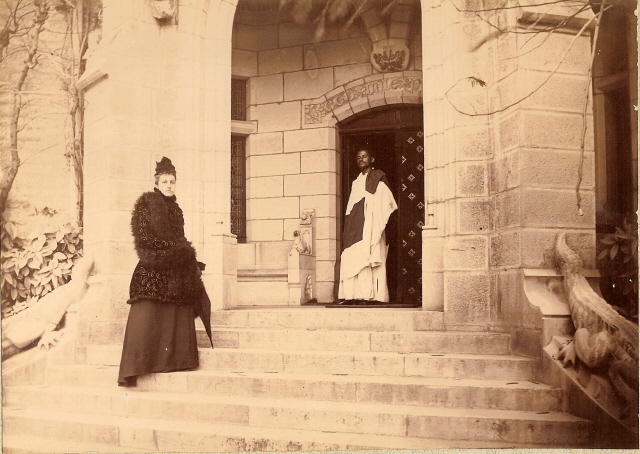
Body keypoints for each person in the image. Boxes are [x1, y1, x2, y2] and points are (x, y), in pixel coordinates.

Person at [118, 157, 211, 387]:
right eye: (165, 181)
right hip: (153, 266)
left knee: (176, 311)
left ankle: (172, 361)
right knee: (148, 314)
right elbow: (145, 239)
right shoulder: (146, 204)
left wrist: (186, 257)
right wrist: (180, 251)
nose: (169, 185)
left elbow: (179, 239)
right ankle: (137, 366)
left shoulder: (176, 210)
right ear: (157, 183)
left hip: (175, 267)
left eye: (172, 181)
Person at [338, 148, 398, 303]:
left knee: (370, 259)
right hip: (355, 227)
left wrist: (373, 218)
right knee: (352, 257)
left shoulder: (378, 177)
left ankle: (371, 296)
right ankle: (352, 295)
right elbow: (351, 207)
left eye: (364, 156)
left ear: (372, 159)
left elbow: (387, 202)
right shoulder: (356, 182)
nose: (361, 159)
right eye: (358, 157)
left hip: (372, 225)